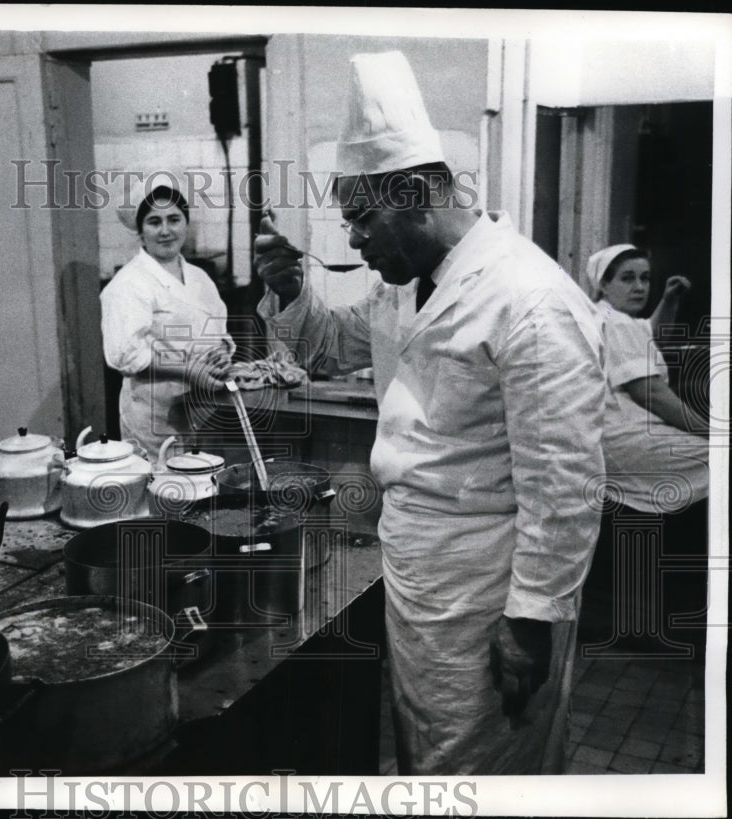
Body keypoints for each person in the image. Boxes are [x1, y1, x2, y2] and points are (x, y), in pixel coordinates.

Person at [254, 51, 606, 775]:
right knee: (428, 752)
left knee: (486, 766)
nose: (351, 240)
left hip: (490, 587)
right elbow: (327, 345)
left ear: (416, 192)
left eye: (360, 219)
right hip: (420, 576)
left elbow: (565, 484)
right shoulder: (403, 285)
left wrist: (533, 618)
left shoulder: (528, 301)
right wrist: (291, 290)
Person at [100, 182, 234, 462]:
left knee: (205, 484)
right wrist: (189, 370)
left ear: (186, 223)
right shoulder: (128, 284)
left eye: (174, 219)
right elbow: (126, 355)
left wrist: (220, 354)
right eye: (154, 222)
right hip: (155, 416)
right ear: (140, 231)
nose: (165, 230)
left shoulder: (200, 277)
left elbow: (219, 330)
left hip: (203, 408)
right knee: (164, 491)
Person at [587, 244, 709, 513]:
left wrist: (669, 299)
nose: (640, 286)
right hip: (624, 437)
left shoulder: (603, 315)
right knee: (720, 458)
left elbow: (649, 338)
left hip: (603, 436)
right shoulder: (616, 322)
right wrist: (711, 431)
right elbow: (650, 394)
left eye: (645, 278)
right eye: (628, 278)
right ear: (604, 284)